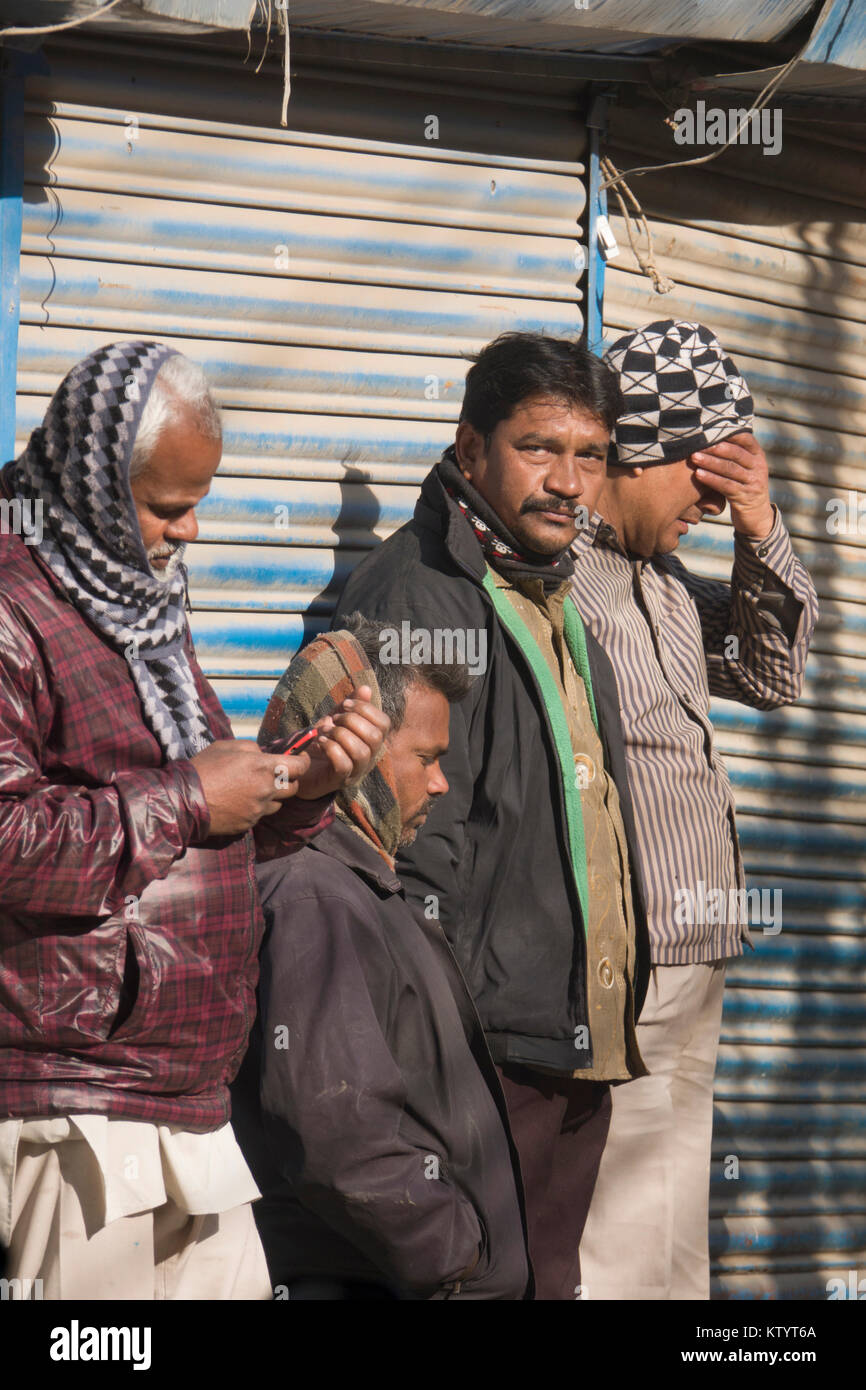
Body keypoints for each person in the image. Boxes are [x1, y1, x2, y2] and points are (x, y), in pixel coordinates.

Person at [0, 342, 385, 1300]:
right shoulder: (11, 604)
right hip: (77, 1103)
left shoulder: (136, 605)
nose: (193, 531)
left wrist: (302, 789)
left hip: (187, 1097)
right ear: (93, 486)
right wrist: (186, 797)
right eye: (170, 506)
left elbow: (200, 828)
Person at [333, 332, 651, 1300]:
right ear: (469, 449)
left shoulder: (554, 593)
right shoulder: (420, 592)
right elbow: (395, 842)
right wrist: (439, 1049)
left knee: (543, 1283)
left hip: (570, 1039)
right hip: (484, 1052)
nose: (567, 480)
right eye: (537, 448)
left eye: (588, 455)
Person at [572, 319, 818, 1300]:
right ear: (639, 455)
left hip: (693, 951)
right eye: (700, 485)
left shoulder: (663, 583)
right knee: (619, 1233)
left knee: (670, 1235)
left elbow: (769, 670)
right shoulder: (565, 584)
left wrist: (760, 527)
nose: (708, 509)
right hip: (619, 958)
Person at [231, 615, 530, 1300]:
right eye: (426, 758)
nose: (441, 785)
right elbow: (335, 1132)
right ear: (355, 755)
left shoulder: (361, 884)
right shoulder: (315, 897)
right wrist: (453, 1257)